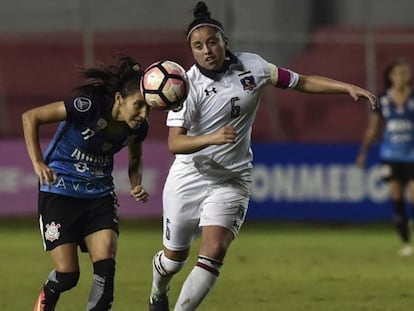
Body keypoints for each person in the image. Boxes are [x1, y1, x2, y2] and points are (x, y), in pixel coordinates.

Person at [148, 2, 378, 310]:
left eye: (211, 42)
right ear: (192, 51)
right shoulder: (185, 86)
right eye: (198, 46)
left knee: (214, 250)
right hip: (189, 177)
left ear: (224, 41)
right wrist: (213, 138)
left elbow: (302, 81)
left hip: (231, 179)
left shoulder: (253, 67)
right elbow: (175, 144)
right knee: (173, 260)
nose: (207, 50)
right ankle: (157, 292)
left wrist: (346, 87)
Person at [22, 55, 150, 310]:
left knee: (105, 270)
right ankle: (47, 296)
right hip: (59, 191)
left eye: (149, 107)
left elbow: (135, 158)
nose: (144, 113)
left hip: (99, 195)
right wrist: (37, 162)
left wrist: (135, 182)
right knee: (68, 276)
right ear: (118, 99)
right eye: (138, 105)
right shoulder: (87, 106)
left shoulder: (137, 128)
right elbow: (30, 117)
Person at [356, 58, 414, 257]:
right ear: (390, 77)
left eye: (405, 73)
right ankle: (406, 242)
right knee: (397, 197)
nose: (402, 76)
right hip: (390, 156)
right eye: (398, 73)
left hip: (412, 156)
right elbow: (373, 129)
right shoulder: (383, 100)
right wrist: (363, 153)